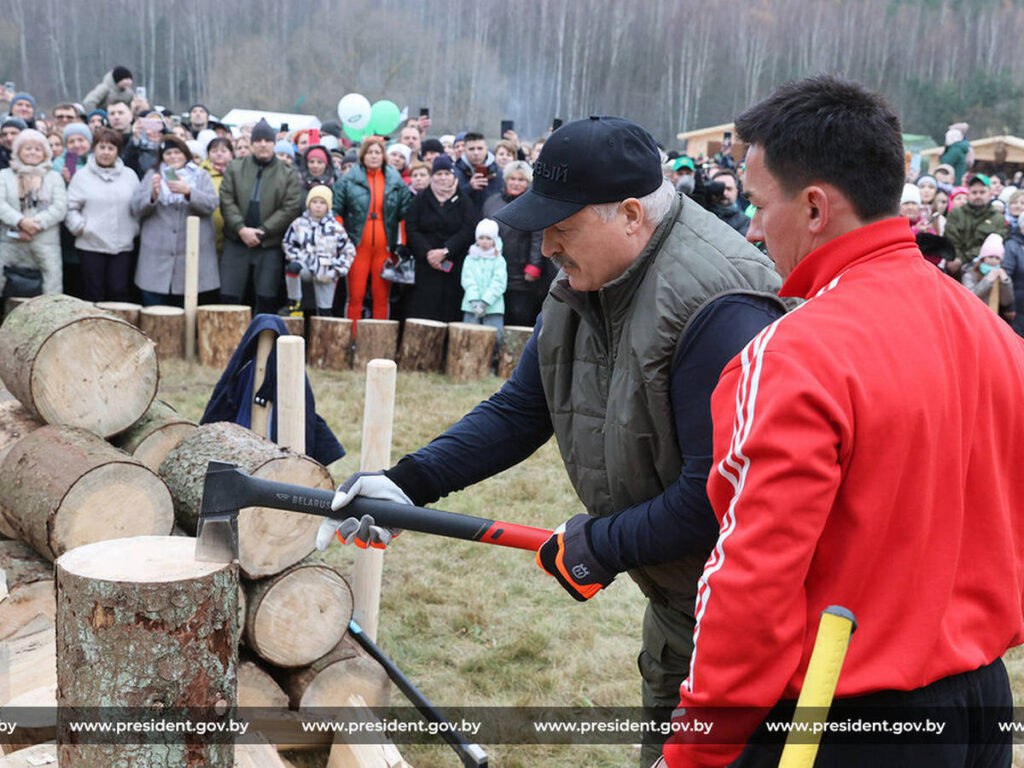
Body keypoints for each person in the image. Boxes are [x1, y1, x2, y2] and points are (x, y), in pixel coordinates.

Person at [319, 116, 786, 766]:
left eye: (562, 227)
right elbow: (521, 410)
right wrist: (408, 481)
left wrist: (601, 543)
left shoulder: (721, 308)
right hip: (684, 611)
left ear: (629, 215)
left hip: (755, 629)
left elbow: (719, 498)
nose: (547, 246)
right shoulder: (580, 283)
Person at [663, 74, 1024, 768]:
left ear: (816, 208)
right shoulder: (995, 337)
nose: (754, 226)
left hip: (840, 717)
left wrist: (694, 752)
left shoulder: (794, 356)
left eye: (761, 205)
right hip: (981, 704)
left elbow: (751, 584)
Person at [219, 117, 303, 314]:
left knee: (266, 299)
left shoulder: (287, 173)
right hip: (236, 241)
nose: (263, 144)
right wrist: (241, 228)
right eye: (258, 140)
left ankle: (263, 344)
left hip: (269, 245)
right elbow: (226, 199)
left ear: (274, 143)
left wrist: (263, 231)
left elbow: (290, 207)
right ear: (252, 143)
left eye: (267, 140)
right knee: (229, 298)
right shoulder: (235, 167)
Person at [130, 134, 220, 306]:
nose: (173, 157)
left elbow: (211, 204)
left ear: (185, 154)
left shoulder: (201, 176)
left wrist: (189, 192)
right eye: (168, 154)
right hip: (156, 256)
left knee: (187, 314)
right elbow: (135, 208)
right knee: (155, 312)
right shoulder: (152, 175)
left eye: (177, 153)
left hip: (192, 256)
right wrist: (153, 195)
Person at [331, 136, 411, 321]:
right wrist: (342, 237)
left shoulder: (396, 181)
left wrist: (402, 245)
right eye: (369, 152)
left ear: (383, 155)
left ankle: (380, 340)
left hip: (385, 247)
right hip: (357, 245)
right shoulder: (348, 180)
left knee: (381, 297)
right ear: (362, 155)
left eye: (377, 152)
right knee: (355, 296)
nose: (373, 156)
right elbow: (336, 210)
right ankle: (352, 338)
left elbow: (404, 215)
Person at [400, 154, 477, 322]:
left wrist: (446, 250)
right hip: (425, 264)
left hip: (453, 263)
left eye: (447, 174)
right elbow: (412, 228)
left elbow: (467, 229)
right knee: (423, 309)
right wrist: (428, 253)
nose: (443, 178)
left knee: (449, 309)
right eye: (438, 174)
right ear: (432, 176)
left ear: (453, 175)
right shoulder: (421, 199)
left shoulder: (464, 200)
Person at [64, 127, 139, 302]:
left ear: (117, 151)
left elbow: (138, 206)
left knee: (118, 290)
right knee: (94, 292)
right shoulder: (81, 176)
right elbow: (70, 208)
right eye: (102, 147)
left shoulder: (130, 175)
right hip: (91, 244)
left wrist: (135, 229)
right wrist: (81, 227)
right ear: (94, 149)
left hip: (123, 245)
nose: (106, 152)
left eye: (111, 148)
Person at [0, 129, 67, 295]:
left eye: (38, 149)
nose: (32, 152)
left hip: (45, 243)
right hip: (11, 243)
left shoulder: (54, 177)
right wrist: (20, 222)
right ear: (18, 151)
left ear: (45, 153)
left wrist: (37, 224)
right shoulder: (4, 176)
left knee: (49, 292)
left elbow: (60, 207)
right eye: (27, 148)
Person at [482, 160, 545, 326]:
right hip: (493, 270)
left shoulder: (533, 205)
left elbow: (538, 238)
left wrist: (534, 266)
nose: (516, 183)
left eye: (521, 179)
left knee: (518, 316)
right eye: (512, 179)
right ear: (506, 179)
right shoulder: (491, 202)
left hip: (520, 273)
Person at [280, 185, 355, 317]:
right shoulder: (298, 224)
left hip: (326, 270)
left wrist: (338, 268)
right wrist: (298, 257)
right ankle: (294, 302)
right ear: (309, 204)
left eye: (322, 203)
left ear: (328, 206)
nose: (318, 206)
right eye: (314, 202)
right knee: (292, 268)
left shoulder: (336, 228)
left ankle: (324, 322)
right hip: (306, 265)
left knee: (324, 311)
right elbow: (287, 243)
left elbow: (348, 250)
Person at [944, 173, 1007, 277]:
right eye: (974, 192)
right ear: (968, 194)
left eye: (982, 192)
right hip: (954, 265)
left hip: (983, 271)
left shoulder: (998, 219)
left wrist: (962, 259)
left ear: (990, 194)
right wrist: (955, 259)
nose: (978, 196)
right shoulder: (956, 213)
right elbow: (950, 238)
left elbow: (993, 245)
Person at [459, 217, 507, 337]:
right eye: (481, 238)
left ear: (494, 240)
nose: (484, 241)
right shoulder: (470, 258)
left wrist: (486, 301)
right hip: (471, 305)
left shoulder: (499, 260)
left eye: (488, 238)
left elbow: (499, 282)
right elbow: (467, 279)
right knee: (468, 335)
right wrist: (474, 300)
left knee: (494, 337)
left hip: (493, 306)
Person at [960, 232, 1014, 323]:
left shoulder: (1001, 274)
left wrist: (1005, 282)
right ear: (983, 258)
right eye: (990, 257)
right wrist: (988, 280)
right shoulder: (970, 274)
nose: (993, 260)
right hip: (974, 316)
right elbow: (971, 296)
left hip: (994, 318)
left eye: (997, 258)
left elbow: (1006, 301)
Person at [199, 136, 234, 255]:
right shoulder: (200, 173)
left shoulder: (237, 173)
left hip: (230, 233)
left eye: (223, 151)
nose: (219, 154)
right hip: (205, 230)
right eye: (214, 151)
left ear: (231, 154)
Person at [454, 131, 502, 214]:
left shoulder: (498, 172)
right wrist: (469, 188)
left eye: (480, 148)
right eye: (471, 149)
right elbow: (451, 201)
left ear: (486, 149)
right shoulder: (455, 173)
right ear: (464, 150)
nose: (476, 153)